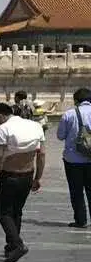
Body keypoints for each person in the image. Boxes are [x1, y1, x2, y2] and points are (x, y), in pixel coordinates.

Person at [0, 102, 46, 262]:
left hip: (9, 175)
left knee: (3, 211)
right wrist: (38, 177)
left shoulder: (4, 129)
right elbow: (42, 154)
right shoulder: (35, 126)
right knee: (17, 211)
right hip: (28, 175)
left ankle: (17, 244)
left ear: (0, 116)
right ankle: (11, 246)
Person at [55, 87, 91, 228]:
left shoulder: (69, 114)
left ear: (76, 100)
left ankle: (80, 220)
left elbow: (60, 136)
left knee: (76, 191)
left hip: (73, 159)